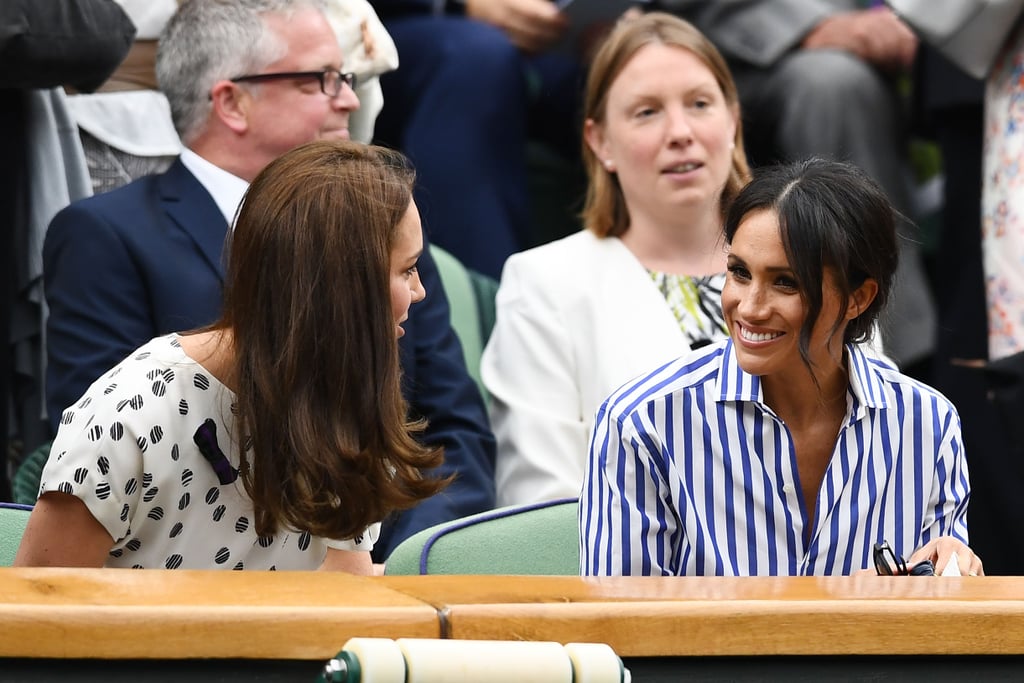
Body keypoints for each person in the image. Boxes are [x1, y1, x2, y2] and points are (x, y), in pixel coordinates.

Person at [42, 0, 496, 559]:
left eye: (347, 78)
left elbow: (450, 435)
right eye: (322, 80)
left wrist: (386, 561)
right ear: (233, 101)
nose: (350, 98)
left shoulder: (393, 232)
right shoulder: (108, 245)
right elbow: (93, 470)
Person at [17, 140, 446, 570]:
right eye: (407, 269)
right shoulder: (134, 413)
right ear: (341, 286)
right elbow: (38, 617)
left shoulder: (342, 398)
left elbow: (345, 598)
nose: (419, 291)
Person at [581, 157, 981, 577]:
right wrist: (846, 611)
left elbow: (938, 629)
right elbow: (620, 626)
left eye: (785, 282)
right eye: (738, 273)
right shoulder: (641, 423)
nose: (749, 308)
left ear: (858, 298)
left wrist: (951, 577)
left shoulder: (928, 425)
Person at [481, 12, 750, 506]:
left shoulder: (813, 262)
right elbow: (538, 504)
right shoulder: (545, 283)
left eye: (700, 104)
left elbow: (882, 455)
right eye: (646, 112)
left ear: (732, 119)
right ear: (600, 141)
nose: (680, 131)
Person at [652, 0, 936, 371]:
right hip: (738, 40)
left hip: (908, 33)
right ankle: (880, 346)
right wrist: (805, 27)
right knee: (832, 83)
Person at [368, 0, 585, 279]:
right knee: (477, 57)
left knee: (622, 77)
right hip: (405, 30)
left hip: (545, 50)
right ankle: (479, 300)